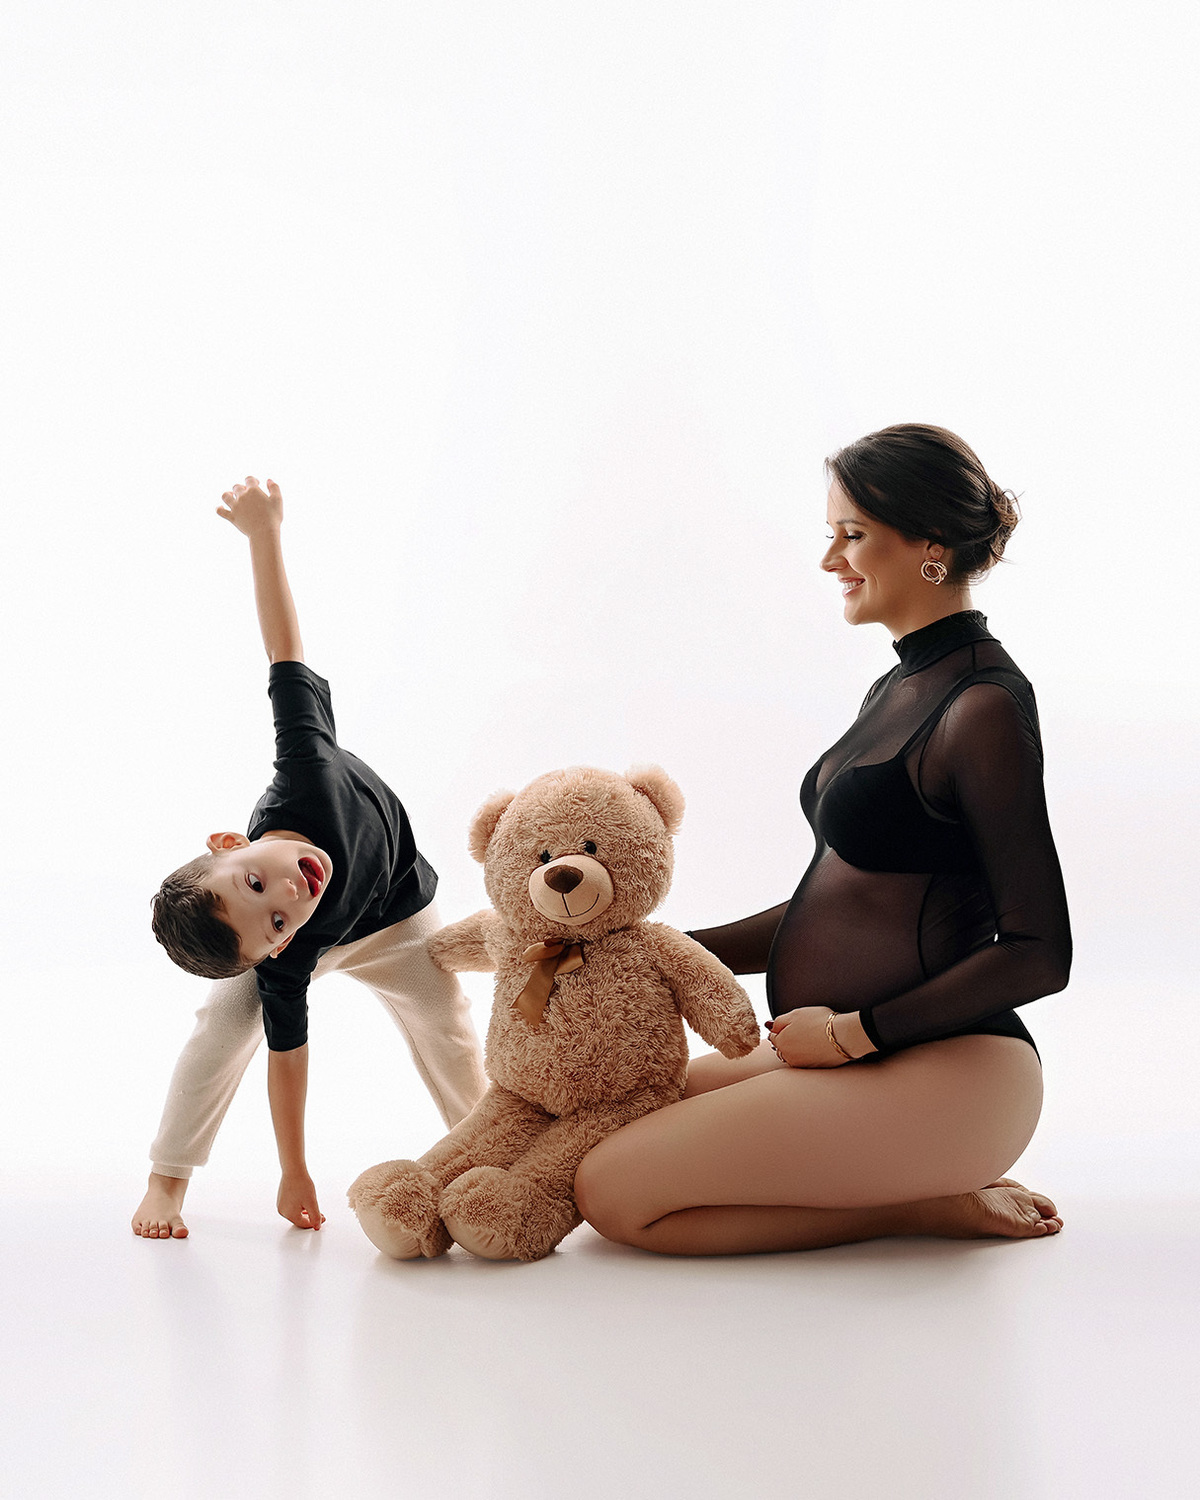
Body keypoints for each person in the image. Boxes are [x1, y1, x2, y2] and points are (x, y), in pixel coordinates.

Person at [575, 424, 1070, 1254]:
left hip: (952, 1071)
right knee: (610, 1115)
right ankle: (916, 1190)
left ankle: (927, 1206)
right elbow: (844, 902)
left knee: (612, 1191)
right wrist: (653, 953)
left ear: (931, 544)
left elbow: (1039, 951)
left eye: (852, 534)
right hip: (861, 1055)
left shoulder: (981, 705)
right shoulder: (900, 684)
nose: (830, 559)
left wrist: (851, 1033)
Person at [132, 477, 487, 1240]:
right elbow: (287, 1060)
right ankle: (166, 1178)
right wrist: (293, 1168)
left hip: (396, 914)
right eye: (273, 918)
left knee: (445, 1020)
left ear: (231, 842)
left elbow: (282, 647)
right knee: (224, 1025)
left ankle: (502, 1154)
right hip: (322, 943)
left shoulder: (305, 770)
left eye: (256, 881)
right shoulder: (285, 951)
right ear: (275, 947)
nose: (289, 892)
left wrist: (264, 534)